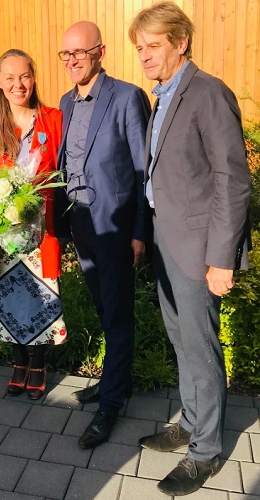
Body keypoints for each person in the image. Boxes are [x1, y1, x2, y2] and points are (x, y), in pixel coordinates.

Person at [128, 2, 251, 496]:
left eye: (153, 46)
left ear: (181, 42)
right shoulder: (165, 95)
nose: (144, 56)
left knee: (200, 346)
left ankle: (205, 452)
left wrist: (222, 257)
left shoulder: (208, 93)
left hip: (199, 247)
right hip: (166, 236)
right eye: (139, 48)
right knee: (182, 340)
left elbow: (233, 181)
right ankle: (192, 422)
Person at [54, 21, 150, 448]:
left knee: (116, 311)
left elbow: (144, 171)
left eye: (80, 52)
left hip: (112, 223)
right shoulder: (66, 102)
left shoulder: (127, 97)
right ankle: (118, 382)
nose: (73, 61)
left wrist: (139, 232)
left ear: (100, 52)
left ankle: (111, 403)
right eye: (66, 54)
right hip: (79, 221)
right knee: (101, 304)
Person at [0, 49, 66, 400]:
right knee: (10, 295)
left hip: (42, 232)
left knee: (41, 295)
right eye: (9, 77)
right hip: (3, 231)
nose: (18, 84)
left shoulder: (53, 120)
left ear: (34, 77)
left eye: (24, 76)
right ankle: (18, 360)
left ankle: (39, 362)